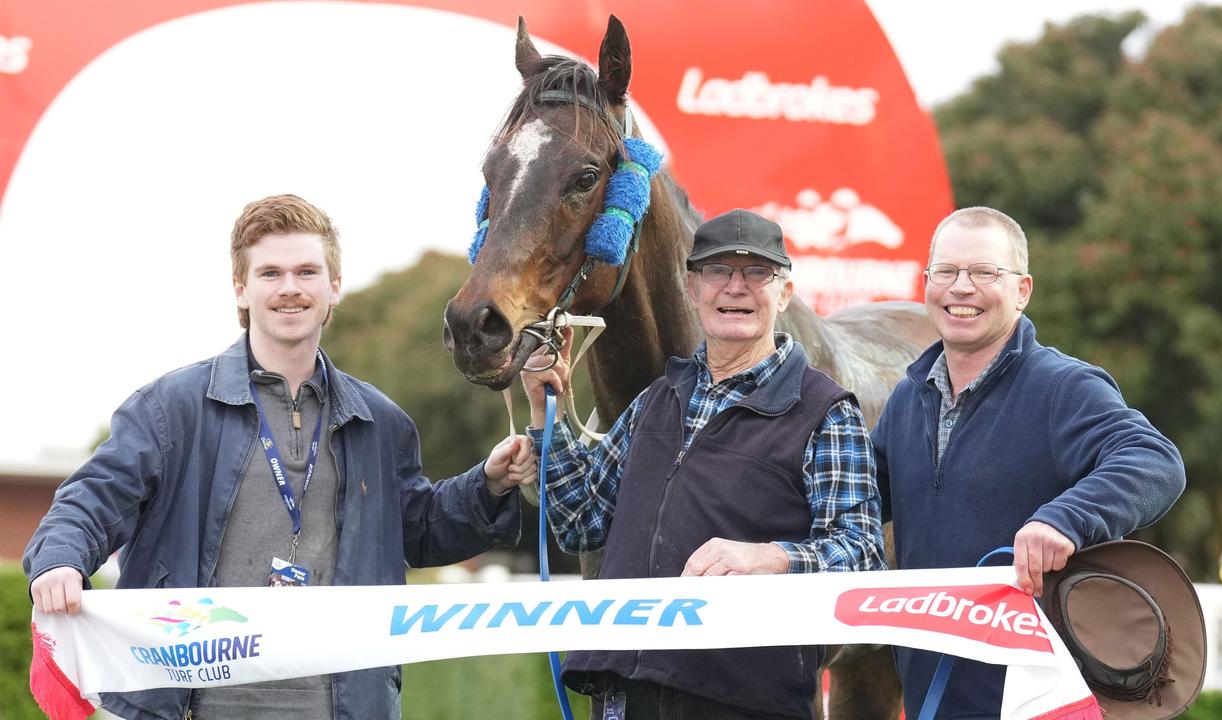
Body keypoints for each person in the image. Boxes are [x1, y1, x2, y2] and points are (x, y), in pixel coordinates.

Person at [24, 194, 535, 720]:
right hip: (188, 707)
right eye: (270, 273)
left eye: (306, 271)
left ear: (333, 287)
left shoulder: (380, 422)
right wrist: (60, 557)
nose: (289, 288)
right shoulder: (169, 409)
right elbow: (92, 498)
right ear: (241, 290)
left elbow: (420, 529)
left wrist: (488, 485)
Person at [521, 208, 885, 720]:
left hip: (744, 701)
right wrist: (544, 412)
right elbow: (581, 522)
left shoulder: (824, 411)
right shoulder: (655, 400)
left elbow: (864, 555)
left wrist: (773, 558)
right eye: (717, 271)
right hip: (627, 694)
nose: (735, 287)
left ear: (784, 293)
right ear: (692, 289)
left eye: (757, 272)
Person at [871, 206, 1186, 719]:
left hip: (1036, 701)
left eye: (984, 273)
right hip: (932, 696)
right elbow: (851, 499)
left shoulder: (1063, 386)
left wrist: (1063, 519)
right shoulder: (909, 398)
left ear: (1022, 290)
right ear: (927, 283)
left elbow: (1155, 460)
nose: (961, 287)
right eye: (946, 272)